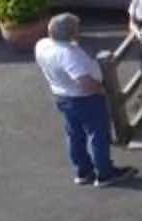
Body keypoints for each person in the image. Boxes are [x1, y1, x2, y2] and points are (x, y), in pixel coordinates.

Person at [34, 13, 133, 187]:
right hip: (84, 99)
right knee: (98, 136)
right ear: (73, 32)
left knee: (75, 136)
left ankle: (83, 171)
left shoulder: (42, 45)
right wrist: (101, 88)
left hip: (62, 96)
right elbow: (84, 81)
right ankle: (105, 174)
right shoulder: (69, 55)